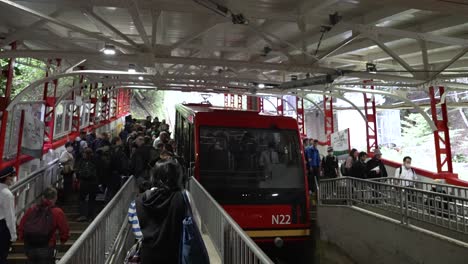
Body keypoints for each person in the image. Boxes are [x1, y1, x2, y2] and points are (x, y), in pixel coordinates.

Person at [136, 159, 186, 264]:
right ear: (177, 177)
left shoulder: (140, 199)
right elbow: (192, 224)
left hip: (147, 255)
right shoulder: (183, 197)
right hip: (174, 255)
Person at [18, 187, 70, 264]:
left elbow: (22, 225)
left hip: (29, 246)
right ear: (55, 197)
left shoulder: (32, 209)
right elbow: (64, 230)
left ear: (43, 197)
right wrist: (63, 240)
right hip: (47, 246)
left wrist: (22, 238)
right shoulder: (57, 211)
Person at [75, 148, 98, 222]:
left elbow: (78, 171)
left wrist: (79, 177)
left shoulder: (82, 161)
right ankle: (91, 216)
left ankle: (83, 215)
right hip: (93, 183)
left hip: (84, 183)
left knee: (82, 199)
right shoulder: (95, 161)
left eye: (84, 153)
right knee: (92, 200)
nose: (83, 155)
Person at [0, 166, 17, 264]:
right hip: (3, 228)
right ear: (7, 178)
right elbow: (10, 216)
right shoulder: (7, 194)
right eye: (12, 176)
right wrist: (13, 235)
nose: (13, 179)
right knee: (2, 256)